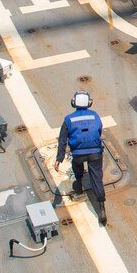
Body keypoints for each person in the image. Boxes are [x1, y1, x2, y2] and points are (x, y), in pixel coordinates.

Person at [55, 91, 107, 226]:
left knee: (77, 165)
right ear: (90, 103)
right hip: (95, 152)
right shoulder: (95, 115)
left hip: (78, 153)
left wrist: (59, 158)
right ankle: (101, 207)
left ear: (73, 103)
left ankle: (78, 183)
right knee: (97, 178)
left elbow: (62, 140)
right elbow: (99, 130)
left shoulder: (68, 119)